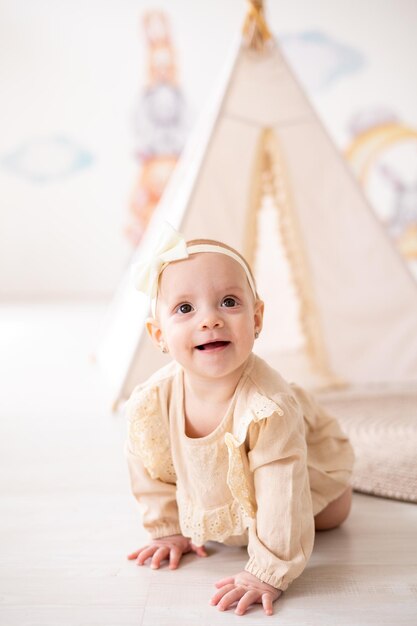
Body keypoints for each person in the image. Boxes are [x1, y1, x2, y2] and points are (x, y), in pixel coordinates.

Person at [125, 224, 354, 616]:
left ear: (257, 318)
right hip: (225, 490)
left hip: (305, 480)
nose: (210, 320)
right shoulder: (153, 401)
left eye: (229, 302)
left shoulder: (268, 406)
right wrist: (167, 527)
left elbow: (283, 493)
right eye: (185, 308)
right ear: (158, 334)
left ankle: (337, 490)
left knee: (330, 517)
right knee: (225, 517)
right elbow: (149, 466)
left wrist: (267, 571)